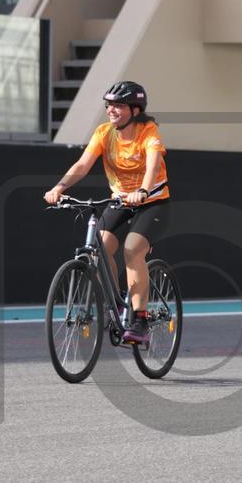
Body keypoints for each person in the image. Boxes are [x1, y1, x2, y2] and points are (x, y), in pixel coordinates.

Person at [44, 81, 171, 344]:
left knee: (132, 250)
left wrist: (143, 190)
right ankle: (118, 302)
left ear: (135, 110)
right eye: (109, 105)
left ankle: (140, 320)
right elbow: (82, 165)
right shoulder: (104, 133)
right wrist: (59, 187)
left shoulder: (148, 132)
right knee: (98, 249)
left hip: (152, 202)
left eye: (119, 105)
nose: (111, 110)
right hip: (120, 201)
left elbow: (152, 166)